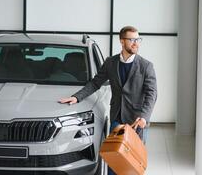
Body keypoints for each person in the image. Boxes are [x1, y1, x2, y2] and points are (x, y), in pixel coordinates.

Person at [58, 25, 157, 174]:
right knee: (113, 159)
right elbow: (95, 83)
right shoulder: (111, 62)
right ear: (122, 41)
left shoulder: (146, 66)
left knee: (133, 163)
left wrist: (144, 116)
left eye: (138, 39)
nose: (136, 43)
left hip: (137, 122)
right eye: (132, 39)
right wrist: (76, 97)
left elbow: (152, 93)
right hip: (117, 118)